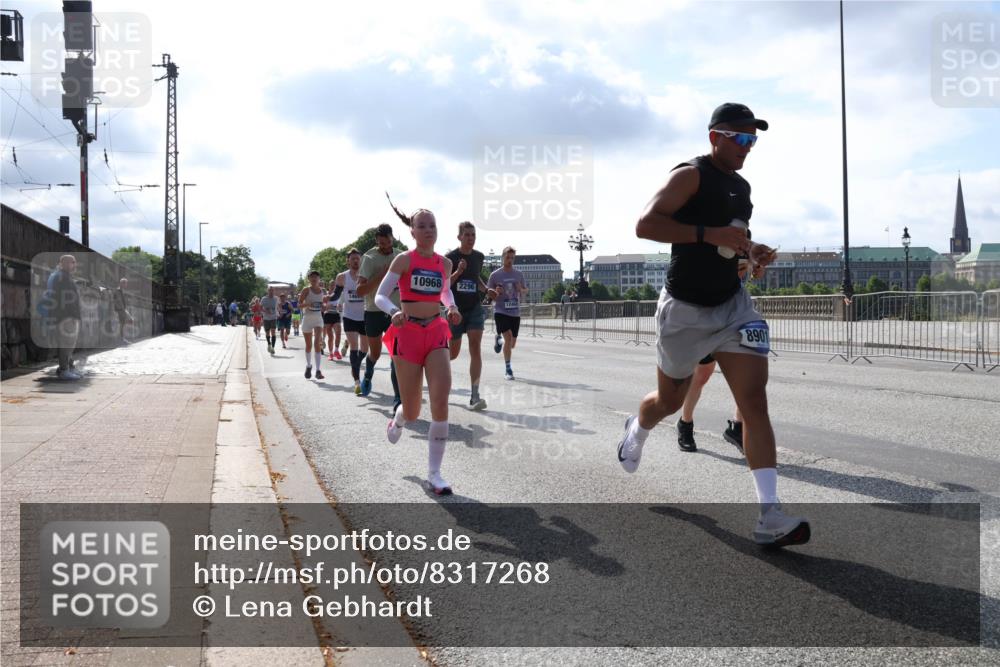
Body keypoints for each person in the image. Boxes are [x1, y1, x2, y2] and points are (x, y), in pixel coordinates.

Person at [615, 102, 808, 548]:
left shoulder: (742, 187)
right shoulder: (690, 174)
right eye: (739, 138)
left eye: (753, 139)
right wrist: (707, 234)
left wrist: (751, 251)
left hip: (732, 306)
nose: (747, 147)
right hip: (684, 310)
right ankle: (637, 429)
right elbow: (645, 224)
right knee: (669, 399)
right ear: (714, 137)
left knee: (754, 402)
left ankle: (770, 514)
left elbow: (730, 240)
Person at [376, 201, 461, 495]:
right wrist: (392, 312)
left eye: (432, 225)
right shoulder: (403, 260)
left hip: (436, 330)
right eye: (422, 226)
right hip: (407, 332)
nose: (428, 230)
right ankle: (399, 419)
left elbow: (446, 291)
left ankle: (434, 474)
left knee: (441, 399)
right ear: (412, 231)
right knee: (413, 411)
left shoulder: (444, 264)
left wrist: (450, 308)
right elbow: (380, 296)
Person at [677, 259, 764, 453]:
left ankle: (737, 427)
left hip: (736, 315)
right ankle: (685, 423)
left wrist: (755, 268)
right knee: (701, 376)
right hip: (707, 316)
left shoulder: (743, 240)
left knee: (747, 377)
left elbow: (750, 269)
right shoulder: (708, 237)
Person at [355, 223, 402, 409]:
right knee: (374, 353)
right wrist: (381, 276)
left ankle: (398, 399)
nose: (385, 246)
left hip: (395, 312)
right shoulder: (369, 257)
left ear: (393, 238)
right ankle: (367, 375)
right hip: (374, 311)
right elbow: (360, 291)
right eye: (381, 243)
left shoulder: (400, 255)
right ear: (377, 241)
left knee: (395, 356)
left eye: (388, 242)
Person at [446, 221, 489, 411]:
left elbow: (476, 278)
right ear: (459, 237)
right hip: (455, 311)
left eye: (473, 235)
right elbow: (444, 285)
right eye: (467, 235)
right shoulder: (449, 258)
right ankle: (433, 367)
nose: (471, 238)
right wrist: (458, 271)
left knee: (475, 347)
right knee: (452, 354)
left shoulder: (479, 257)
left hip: (474, 309)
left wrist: (486, 289)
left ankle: (474, 395)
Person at [486, 247, 528, 381]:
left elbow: (525, 290)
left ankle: (499, 340)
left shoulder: (518, 274)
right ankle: (508, 369)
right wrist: (495, 291)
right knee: (508, 338)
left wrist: (520, 289)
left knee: (512, 344)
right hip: (501, 311)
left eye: (512, 258)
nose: (510, 260)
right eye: (507, 257)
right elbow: (488, 293)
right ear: (502, 257)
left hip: (515, 312)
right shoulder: (495, 275)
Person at [44, 254, 83, 380]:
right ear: (65, 263)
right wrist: (71, 315)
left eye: (74, 262)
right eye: (73, 262)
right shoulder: (62, 277)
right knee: (66, 344)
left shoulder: (61, 276)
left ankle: (68, 368)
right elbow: (65, 299)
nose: (74, 265)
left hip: (65, 316)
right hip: (66, 317)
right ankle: (64, 370)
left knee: (69, 344)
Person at [336, 249, 367, 394]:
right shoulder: (342, 277)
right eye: (353, 258)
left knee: (365, 350)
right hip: (349, 316)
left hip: (365, 316)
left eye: (357, 258)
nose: (356, 261)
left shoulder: (366, 274)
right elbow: (336, 294)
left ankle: (356, 363)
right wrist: (329, 299)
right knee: (354, 346)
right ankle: (357, 382)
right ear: (348, 261)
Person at [298, 271, 327, 380]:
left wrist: (324, 307)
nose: (314, 278)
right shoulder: (306, 290)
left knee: (317, 343)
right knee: (309, 345)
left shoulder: (323, 291)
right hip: (307, 319)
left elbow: (324, 304)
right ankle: (309, 366)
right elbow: (299, 305)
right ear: (309, 279)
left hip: (318, 319)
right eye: (312, 277)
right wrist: (307, 304)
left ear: (319, 278)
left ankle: (318, 370)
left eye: (316, 277)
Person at [322, 279, 344, 362]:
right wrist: (326, 307)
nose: (333, 286)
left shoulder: (339, 295)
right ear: (329, 286)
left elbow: (341, 305)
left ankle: (336, 350)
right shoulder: (326, 296)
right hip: (328, 316)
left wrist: (340, 307)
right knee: (330, 337)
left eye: (334, 285)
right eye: (331, 285)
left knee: (338, 333)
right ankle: (331, 353)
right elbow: (323, 308)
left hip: (336, 315)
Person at [113, 277, 133, 344]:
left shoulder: (121, 291)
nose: (126, 285)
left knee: (124, 323)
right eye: (125, 283)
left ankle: (123, 339)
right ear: (122, 283)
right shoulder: (118, 290)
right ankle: (122, 339)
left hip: (122, 310)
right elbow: (118, 301)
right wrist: (123, 311)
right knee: (122, 324)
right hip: (120, 310)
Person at [260, 286, 279, 354]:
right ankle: (269, 344)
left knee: (273, 332)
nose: (271, 292)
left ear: (274, 291)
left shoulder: (276, 298)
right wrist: (266, 311)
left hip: (273, 317)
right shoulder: (264, 299)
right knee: (267, 333)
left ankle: (273, 348)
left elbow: (278, 306)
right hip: (266, 318)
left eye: (272, 290)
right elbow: (260, 308)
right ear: (267, 291)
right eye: (270, 290)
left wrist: (279, 312)